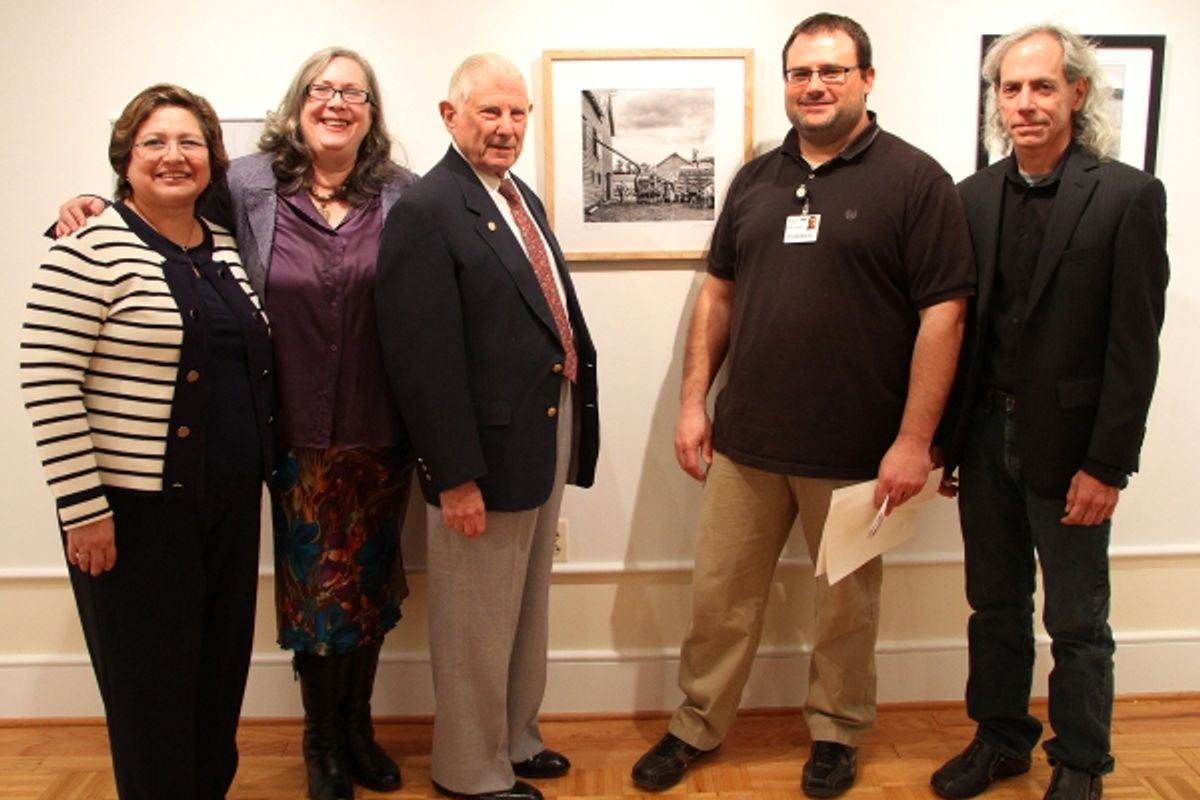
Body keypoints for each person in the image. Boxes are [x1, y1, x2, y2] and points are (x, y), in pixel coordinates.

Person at [55, 47, 418, 800]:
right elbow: (161, 202)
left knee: (371, 584)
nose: (336, 102)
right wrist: (90, 200)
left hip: (380, 424)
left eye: (353, 92)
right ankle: (322, 740)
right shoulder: (249, 184)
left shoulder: (400, 193)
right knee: (316, 591)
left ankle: (358, 728)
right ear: (299, 102)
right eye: (322, 89)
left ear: (372, 112)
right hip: (288, 428)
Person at [630, 13, 974, 797]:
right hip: (746, 443)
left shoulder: (917, 180)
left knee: (846, 610)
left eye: (831, 71)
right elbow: (718, 295)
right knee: (719, 600)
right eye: (800, 73)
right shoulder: (755, 180)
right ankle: (696, 723)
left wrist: (914, 440)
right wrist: (693, 403)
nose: (814, 86)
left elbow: (945, 315)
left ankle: (838, 732)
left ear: (866, 79)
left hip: (858, 451)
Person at [930, 25, 1168, 800]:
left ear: (1077, 93)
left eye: (1042, 86)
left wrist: (1108, 466)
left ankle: (1081, 760)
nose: (1025, 103)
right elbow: (962, 331)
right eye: (1011, 88)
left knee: (1077, 621)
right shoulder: (971, 198)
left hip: (1071, 450)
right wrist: (947, 444)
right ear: (996, 101)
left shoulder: (1128, 195)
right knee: (994, 606)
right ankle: (1000, 738)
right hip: (982, 438)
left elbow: (1134, 348)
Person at [21, 84, 274, 800]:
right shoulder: (87, 246)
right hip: (133, 519)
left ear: (212, 159)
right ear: (125, 159)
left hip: (227, 506)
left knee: (216, 685)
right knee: (150, 699)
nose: (173, 155)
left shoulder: (224, 247)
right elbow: (47, 380)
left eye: (190, 142)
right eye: (154, 142)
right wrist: (83, 511)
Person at [374, 53, 600, 800]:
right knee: (475, 620)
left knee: (524, 605)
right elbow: (421, 362)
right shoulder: (427, 210)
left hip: (541, 428)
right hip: (480, 453)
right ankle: (469, 770)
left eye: (517, 113)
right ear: (450, 117)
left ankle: (515, 737)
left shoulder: (514, 193)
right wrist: (454, 477)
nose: (506, 127)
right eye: (489, 113)